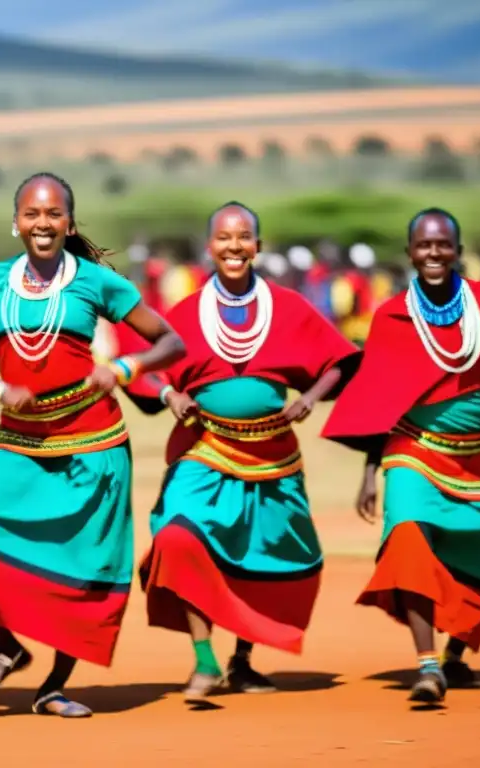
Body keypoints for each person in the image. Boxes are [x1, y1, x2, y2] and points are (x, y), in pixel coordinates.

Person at [0, 172, 187, 717]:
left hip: (94, 444)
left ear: (69, 222)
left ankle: (53, 689)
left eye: (54, 214)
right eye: (33, 214)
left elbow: (170, 341)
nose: (43, 223)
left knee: (81, 573)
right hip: (17, 441)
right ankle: (8, 647)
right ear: (15, 223)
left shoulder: (95, 282)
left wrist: (125, 366)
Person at [130, 203, 361, 705]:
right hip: (206, 449)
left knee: (261, 559)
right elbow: (144, 366)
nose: (234, 246)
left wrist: (308, 398)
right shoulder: (186, 312)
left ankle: (242, 661)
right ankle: (204, 659)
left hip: (273, 457)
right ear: (209, 247)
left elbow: (338, 360)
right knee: (177, 535)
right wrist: (171, 395)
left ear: (258, 245)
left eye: (244, 237)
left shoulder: (290, 306)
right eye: (224, 238)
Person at [322, 208, 480, 704]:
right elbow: (374, 398)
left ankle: (454, 657)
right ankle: (427, 667)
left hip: (476, 461)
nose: (433, 253)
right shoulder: (391, 315)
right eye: (424, 245)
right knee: (407, 537)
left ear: (458, 250)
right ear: (409, 252)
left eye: (443, 244)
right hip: (413, 453)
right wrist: (369, 471)